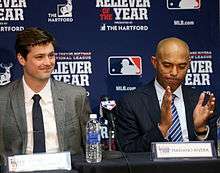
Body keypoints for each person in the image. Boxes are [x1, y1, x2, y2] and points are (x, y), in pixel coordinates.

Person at [0, 27, 91, 158]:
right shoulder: (2, 98)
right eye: (39, 57)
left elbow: (89, 147)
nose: (48, 62)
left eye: (51, 55)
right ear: (21, 59)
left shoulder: (75, 96)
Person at [116, 37, 217, 152]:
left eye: (182, 66)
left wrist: (200, 130)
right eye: (167, 65)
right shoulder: (131, 102)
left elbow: (216, 151)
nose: (174, 73)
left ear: (189, 64)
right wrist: (162, 128)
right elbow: (127, 151)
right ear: (155, 62)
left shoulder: (202, 101)